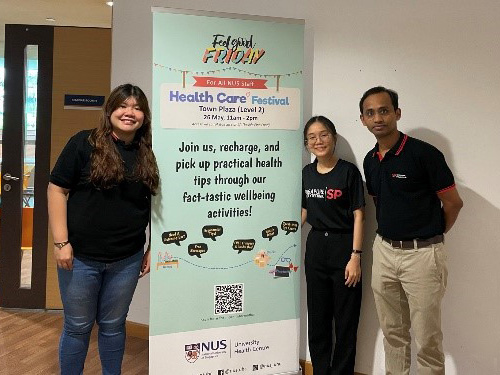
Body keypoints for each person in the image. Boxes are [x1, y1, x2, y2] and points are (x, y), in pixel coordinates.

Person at [48, 83, 159, 375]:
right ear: (110, 109)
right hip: (80, 258)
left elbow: (158, 205)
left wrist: (153, 247)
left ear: (145, 116)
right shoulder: (83, 143)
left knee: (112, 326)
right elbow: (57, 189)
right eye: (123, 105)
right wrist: (61, 243)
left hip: (127, 258)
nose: (129, 112)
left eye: (137, 108)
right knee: (77, 327)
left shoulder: (149, 152)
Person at [360, 86, 463, 375]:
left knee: (427, 339)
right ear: (363, 120)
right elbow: (382, 203)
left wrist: (432, 236)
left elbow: (453, 203)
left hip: (423, 255)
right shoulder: (370, 160)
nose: (378, 117)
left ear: (397, 113)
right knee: (392, 332)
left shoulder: (424, 154)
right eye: (371, 113)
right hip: (384, 252)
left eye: (384, 110)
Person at [301, 115, 365, 375]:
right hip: (316, 247)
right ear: (307, 144)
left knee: (346, 321)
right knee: (318, 319)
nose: (319, 141)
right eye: (312, 137)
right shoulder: (306, 173)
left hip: (344, 248)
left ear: (334, 137)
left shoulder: (348, 171)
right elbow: (305, 211)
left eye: (324, 134)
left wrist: (356, 256)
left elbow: (359, 215)